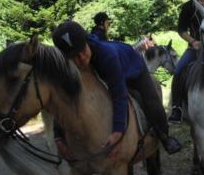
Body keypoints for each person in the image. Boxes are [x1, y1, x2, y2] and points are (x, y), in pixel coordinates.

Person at [52, 21, 182, 157]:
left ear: (86, 42)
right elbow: (62, 96)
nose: (81, 59)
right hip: (110, 71)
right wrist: (58, 135)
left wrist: (117, 132)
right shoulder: (66, 64)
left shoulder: (107, 56)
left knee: (151, 101)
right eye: (74, 57)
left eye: (82, 51)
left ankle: (165, 137)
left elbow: (119, 94)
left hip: (133, 67)